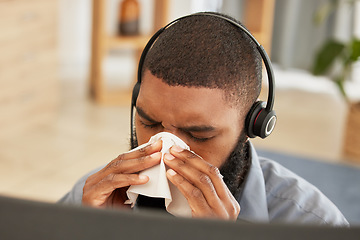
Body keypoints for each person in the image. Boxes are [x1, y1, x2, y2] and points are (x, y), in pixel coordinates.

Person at [60, 12, 349, 226]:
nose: (166, 150)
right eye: (148, 122)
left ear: (252, 125)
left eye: (199, 136)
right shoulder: (92, 197)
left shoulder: (313, 222)